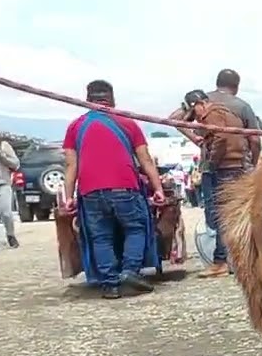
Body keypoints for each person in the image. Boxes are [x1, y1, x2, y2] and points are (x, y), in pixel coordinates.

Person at [62, 80, 165, 298]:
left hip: (90, 191)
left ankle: (110, 285)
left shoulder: (76, 126)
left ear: (87, 100)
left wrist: (68, 197)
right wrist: (158, 189)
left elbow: (72, 165)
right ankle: (129, 272)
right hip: (125, 188)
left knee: (101, 237)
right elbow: (145, 159)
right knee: (135, 229)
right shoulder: (128, 123)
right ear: (112, 99)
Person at [171, 89, 248, 278]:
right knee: (229, 217)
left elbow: (221, 138)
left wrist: (212, 162)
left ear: (199, 104)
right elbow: (174, 120)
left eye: (194, 111)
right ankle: (229, 260)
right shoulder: (226, 113)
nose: (195, 118)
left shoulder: (212, 114)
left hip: (224, 168)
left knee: (220, 217)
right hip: (235, 166)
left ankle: (220, 261)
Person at [209, 69, 262, 167]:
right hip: (236, 165)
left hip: (208, 164)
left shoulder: (203, 103)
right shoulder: (242, 106)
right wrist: (254, 163)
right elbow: (255, 140)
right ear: (236, 86)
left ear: (217, 83)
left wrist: (195, 138)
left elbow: (175, 119)